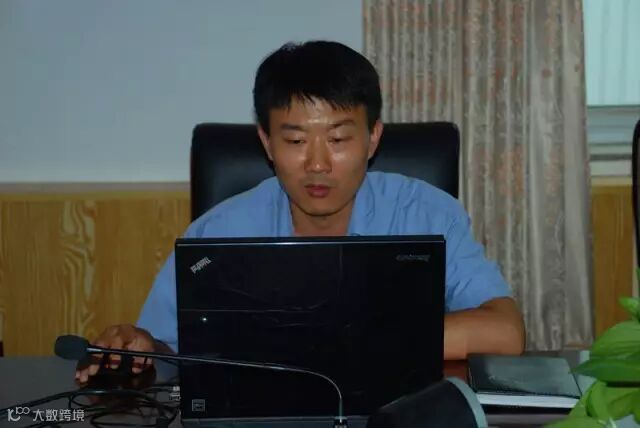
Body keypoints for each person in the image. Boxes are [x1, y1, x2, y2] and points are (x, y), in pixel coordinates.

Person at [76, 40, 525, 383]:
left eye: (338, 139)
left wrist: (343, 338)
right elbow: (166, 351)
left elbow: (505, 333)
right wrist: (140, 347)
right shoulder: (219, 233)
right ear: (267, 142)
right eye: (295, 141)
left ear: (372, 138)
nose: (317, 164)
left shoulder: (426, 214)